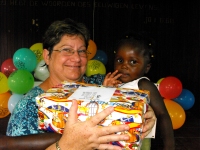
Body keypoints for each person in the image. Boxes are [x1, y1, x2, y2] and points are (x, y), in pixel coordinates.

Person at [2, 19, 156, 150]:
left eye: (82, 51)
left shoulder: (100, 83)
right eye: (67, 50)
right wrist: (66, 145)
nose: (76, 58)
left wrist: (147, 112)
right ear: (47, 56)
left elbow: (134, 95)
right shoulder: (29, 107)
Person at [103, 32, 175, 150]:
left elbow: (162, 115)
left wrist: (169, 146)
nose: (124, 66)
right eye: (120, 60)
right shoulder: (116, 83)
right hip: (114, 140)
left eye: (133, 62)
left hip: (139, 140)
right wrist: (106, 89)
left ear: (147, 67)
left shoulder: (143, 84)